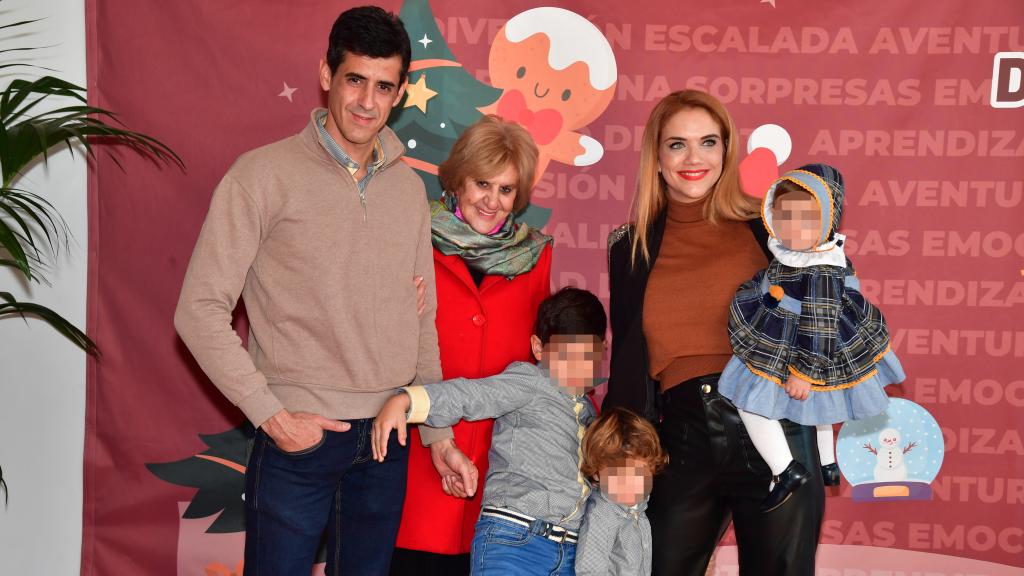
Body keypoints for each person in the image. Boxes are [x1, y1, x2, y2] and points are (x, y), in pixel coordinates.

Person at [173, 7, 475, 575]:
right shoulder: (260, 176)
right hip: (298, 440)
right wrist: (272, 415)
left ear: (401, 92)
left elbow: (421, 319)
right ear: (325, 75)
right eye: (354, 80)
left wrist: (437, 433)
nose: (366, 101)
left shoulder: (410, 190)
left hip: (388, 440)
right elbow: (198, 310)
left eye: (383, 86)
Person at [604, 90, 825, 576]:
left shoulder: (768, 229)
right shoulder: (629, 247)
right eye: (676, 144)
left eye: (707, 142)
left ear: (726, 151)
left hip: (777, 428)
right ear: (656, 157)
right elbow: (628, 357)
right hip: (681, 435)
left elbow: (825, 308)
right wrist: (620, 447)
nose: (693, 158)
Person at [391, 115, 552, 576]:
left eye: (506, 190)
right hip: (416, 453)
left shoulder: (536, 258)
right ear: (458, 180)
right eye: (483, 183)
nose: (492, 201)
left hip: (497, 469)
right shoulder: (415, 237)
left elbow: (542, 364)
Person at [373, 287, 607, 576]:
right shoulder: (531, 381)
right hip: (515, 539)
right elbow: (472, 395)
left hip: (571, 552)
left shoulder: (590, 412)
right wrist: (408, 401)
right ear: (538, 348)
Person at [718, 164, 905, 512]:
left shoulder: (821, 267)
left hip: (804, 346)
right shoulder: (795, 253)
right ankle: (827, 463)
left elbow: (820, 323)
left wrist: (805, 371)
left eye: (808, 218)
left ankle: (784, 469)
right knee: (821, 405)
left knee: (751, 403)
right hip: (793, 334)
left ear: (828, 221)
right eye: (784, 215)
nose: (793, 226)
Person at [575, 406, 668, 576]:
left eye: (640, 475)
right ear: (596, 473)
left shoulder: (637, 511)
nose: (631, 485)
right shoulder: (602, 514)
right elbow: (590, 571)